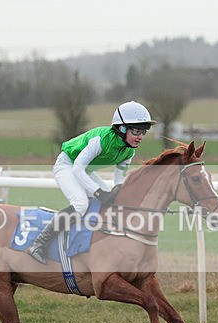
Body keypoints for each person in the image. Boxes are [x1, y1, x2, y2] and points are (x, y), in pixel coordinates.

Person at [25, 100, 156, 264]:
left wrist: (120, 194)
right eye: (137, 131)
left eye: (144, 131)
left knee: (112, 201)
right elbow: (77, 169)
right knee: (80, 204)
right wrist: (99, 192)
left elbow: (119, 179)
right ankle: (38, 244)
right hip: (67, 165)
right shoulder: (100, 140)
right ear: (122, 128)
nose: (141, 137)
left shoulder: (129, 151)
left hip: (84, 170)